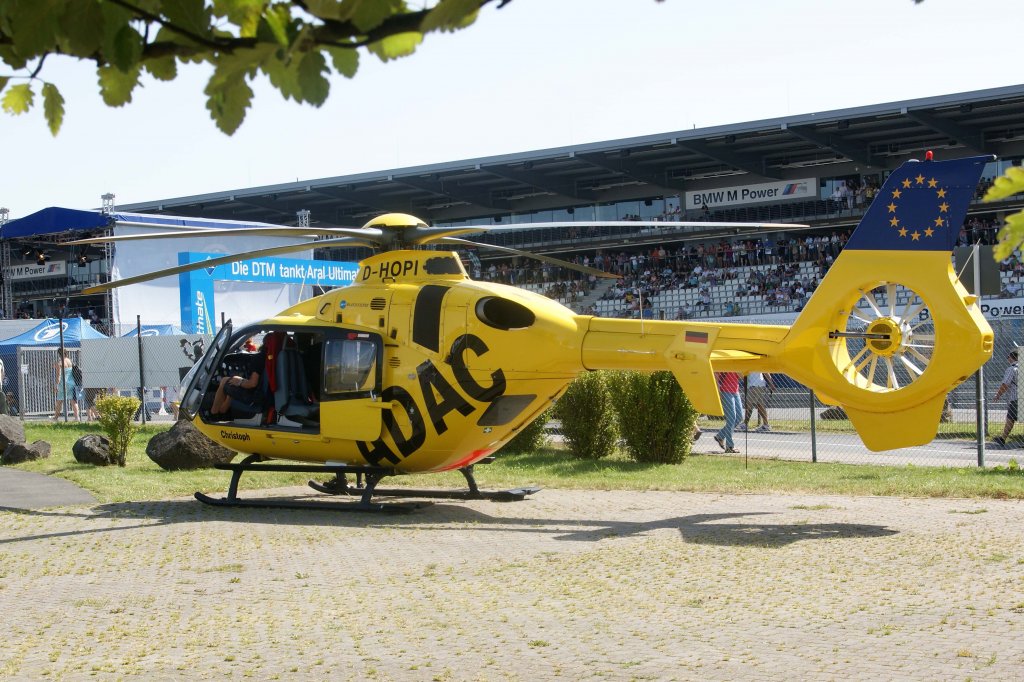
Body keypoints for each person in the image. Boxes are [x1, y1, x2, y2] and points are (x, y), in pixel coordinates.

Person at [209, 340, 266, 420]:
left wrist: (240, 381)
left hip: (256, 398)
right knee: (232, 385)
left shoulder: (259, 358)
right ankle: (222, 411)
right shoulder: (274, 357)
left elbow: (252, 384)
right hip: (267, 395)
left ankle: (213, 415)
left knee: (225, 380)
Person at [992, 349, 1019, 447]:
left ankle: (1002, 438)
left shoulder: (1012, 369)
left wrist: (998, 395)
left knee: (1010, 418)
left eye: (1008, 357)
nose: (1007, 359)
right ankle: (1002, 438)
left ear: (1012, 358)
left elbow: (1005, 384)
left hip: (1016, 398)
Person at [714, 371, 741, 453]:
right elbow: (716, 376)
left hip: (735, 391)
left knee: (739, 417)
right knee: (732, 418)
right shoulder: (724, 361)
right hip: (725, 391)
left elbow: (741, 376)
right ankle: (729, 446)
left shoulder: (738, 361)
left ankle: (720, 436)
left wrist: (739, 368)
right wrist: (719, 391)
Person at [53, 350, 80, 421]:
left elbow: (58, 375)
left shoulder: (59, 363)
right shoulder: (69, 360)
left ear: (59, 354)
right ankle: (77, 417)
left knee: (59, 400)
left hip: (63, 383)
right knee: (73, 400)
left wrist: (56, 385)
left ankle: (55, 417)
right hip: (71, 382)